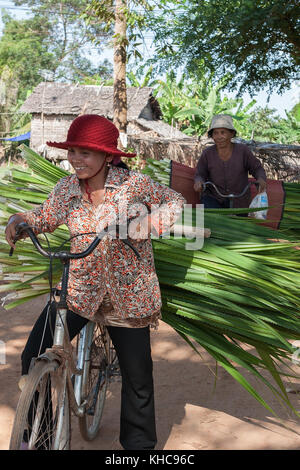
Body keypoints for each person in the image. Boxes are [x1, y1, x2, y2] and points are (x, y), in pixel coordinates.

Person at [5, 114, 185, 450]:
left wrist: (149, 223)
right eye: (72, 151)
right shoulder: (67, 188)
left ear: (107, 156)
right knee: (33, 355)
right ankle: (40, 438)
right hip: (80, 290)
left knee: (138, 379)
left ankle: (138, 448)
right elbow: (45, 215)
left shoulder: (134, 185)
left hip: (127, 294)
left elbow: (175, 202)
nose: (75, 159)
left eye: (85, 152)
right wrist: (22, 220)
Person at [193, 114, 267, 211]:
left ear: (231, 134)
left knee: (238, 224)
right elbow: (200, 173)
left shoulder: (243, 151)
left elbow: (257, 168)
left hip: (239, 200)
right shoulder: (207, 153)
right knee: (210, 219)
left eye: (223, 132)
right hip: (213, 198)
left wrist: (261, 179)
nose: (219, 137)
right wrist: (199, 182)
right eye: (215, 133)